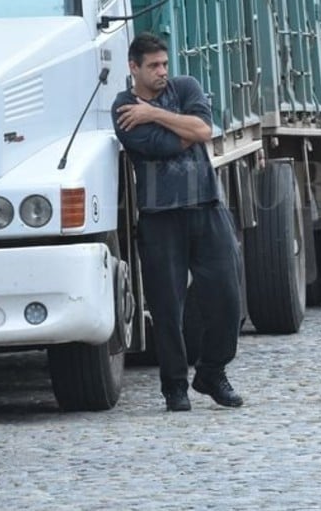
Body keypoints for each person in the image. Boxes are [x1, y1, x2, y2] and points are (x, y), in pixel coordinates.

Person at [112, 33, 244, 411]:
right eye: (153, 66)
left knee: (227, 297)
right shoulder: (123, 107)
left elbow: (204, 130)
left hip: (206, 206)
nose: (162, 72)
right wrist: (180, 128)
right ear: (133, 67)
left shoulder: (185, 87)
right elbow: (160, 146)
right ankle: (175, 386)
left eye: (164, 64)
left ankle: (212, 372)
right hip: (159, 217)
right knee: (168, 308)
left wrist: (154, 114)